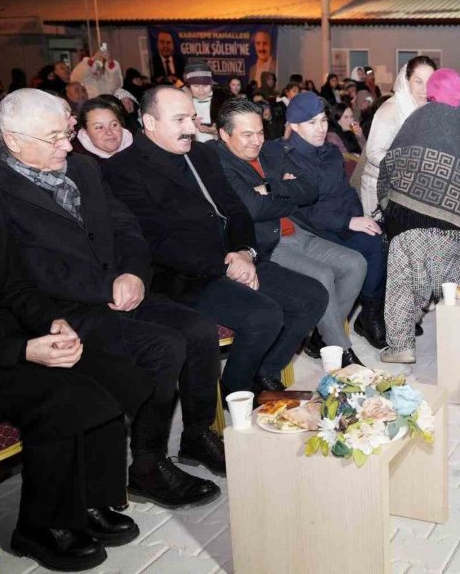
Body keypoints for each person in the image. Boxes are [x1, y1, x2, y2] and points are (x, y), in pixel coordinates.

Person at [0, 88, 225, 506]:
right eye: (54, 138)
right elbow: (25, 271)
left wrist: (133, 273)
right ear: (13, 140)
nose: (67, 145)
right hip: (62, 308)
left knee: (199, 331)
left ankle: (196, 434)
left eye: (67, 133)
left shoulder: (81, 167)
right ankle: (147, 465)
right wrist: (106, 287)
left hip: (119, 285)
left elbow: (125, 225)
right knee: (163, 347)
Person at [0, 145, 154, 570]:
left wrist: (51, 321)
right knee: (64, 397)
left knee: (117, 375)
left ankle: (93, 501)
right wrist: (22, 350)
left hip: (7, 337)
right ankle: (39, 527)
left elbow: (14, 284)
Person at [103, 86, 328, 397]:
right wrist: (226, 265)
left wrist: (244, 252)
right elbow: (154, 241)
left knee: (313, 296)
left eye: (192, 118)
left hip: (233, 256)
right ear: (149, 122)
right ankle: (235, 391)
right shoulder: (122, 169)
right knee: (264, 315)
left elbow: (236, 210)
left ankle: (265, 374)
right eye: (179, 120)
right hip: (183, 277)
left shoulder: (202, 153)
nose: (190, 128)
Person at [214, 99, 367, 367]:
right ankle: (342, 352)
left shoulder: (272, 150)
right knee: (322, 275)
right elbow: (253, 209)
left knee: (356, 263)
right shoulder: (219, 163)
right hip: (269, 243)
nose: (256, 141)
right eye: (247, 135)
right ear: (224, 134)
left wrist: (270, 188)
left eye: (260, 132)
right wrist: (287, 195)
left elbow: (309, 190)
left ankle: (322, 336)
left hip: (299, 230)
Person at [378, 69, 460, 363]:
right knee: (457, 277)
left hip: (410, 219)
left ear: (432, 91)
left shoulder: (417, 117)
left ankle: (401, 346)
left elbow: (391, 162)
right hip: (458, 222)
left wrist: (388, 201)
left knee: (403, 281)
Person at [276, 92, 387, 350]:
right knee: (370, 247)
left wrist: (358, 217)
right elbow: (303, 211)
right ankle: (356, 320)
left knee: (379, 237)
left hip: (339, 221)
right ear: (294, 126)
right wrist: (348, 222)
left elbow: (346, 192)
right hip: (312, 229)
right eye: (312, 123)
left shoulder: (330, 152)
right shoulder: (284, 157)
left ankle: (363, 315)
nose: (320, 128)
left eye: (323, 120)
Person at [354, 56, 436, 217]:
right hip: (379, 189)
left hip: (403, 188)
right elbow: (374, 153)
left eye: (429, 82)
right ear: (407, 80)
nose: (425, 89)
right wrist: (408, 165)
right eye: (418, 81)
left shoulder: (423, 107)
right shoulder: (391, 109)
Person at [71, 96, 135, 162]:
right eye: (99, 127)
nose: (109, 132)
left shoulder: (137, 146)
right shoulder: (78, 161)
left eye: (114, 125)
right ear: (85, 132)